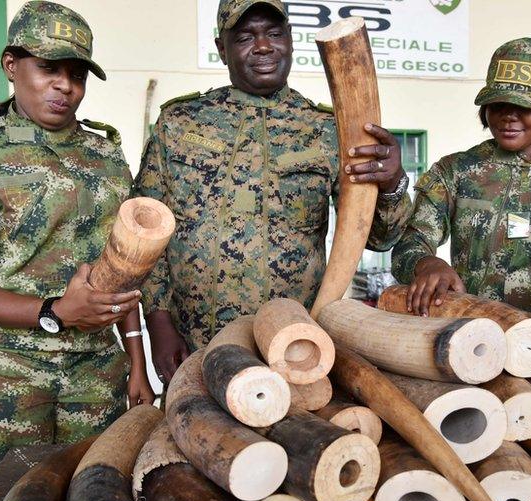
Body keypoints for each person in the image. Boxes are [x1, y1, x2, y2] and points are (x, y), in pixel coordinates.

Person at [0, 1, 154, 501]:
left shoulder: (105, 156)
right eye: (49, 68)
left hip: (94, 375)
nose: (64, 86)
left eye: (77, 74)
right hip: (2, 374)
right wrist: (57, 311)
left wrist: (138, 362)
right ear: (12, 66)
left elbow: (123, 271)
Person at [134, 0, 413, 381]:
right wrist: (159, 323)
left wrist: (392, 183)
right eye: (245, 37)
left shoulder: (328, 130)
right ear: (222, 49)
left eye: (274, 33)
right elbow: (146, 228)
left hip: (295, 347)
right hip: (194, 344)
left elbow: (379, 238)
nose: (263, 46)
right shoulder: (180, 123)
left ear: (291, 41)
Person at [391, 38, 531, 361]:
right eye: (498, 105)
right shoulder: (456, 171)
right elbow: (410, 242)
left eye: (524, 107)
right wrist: (427, 264)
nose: (508, 117)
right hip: (469, 340)